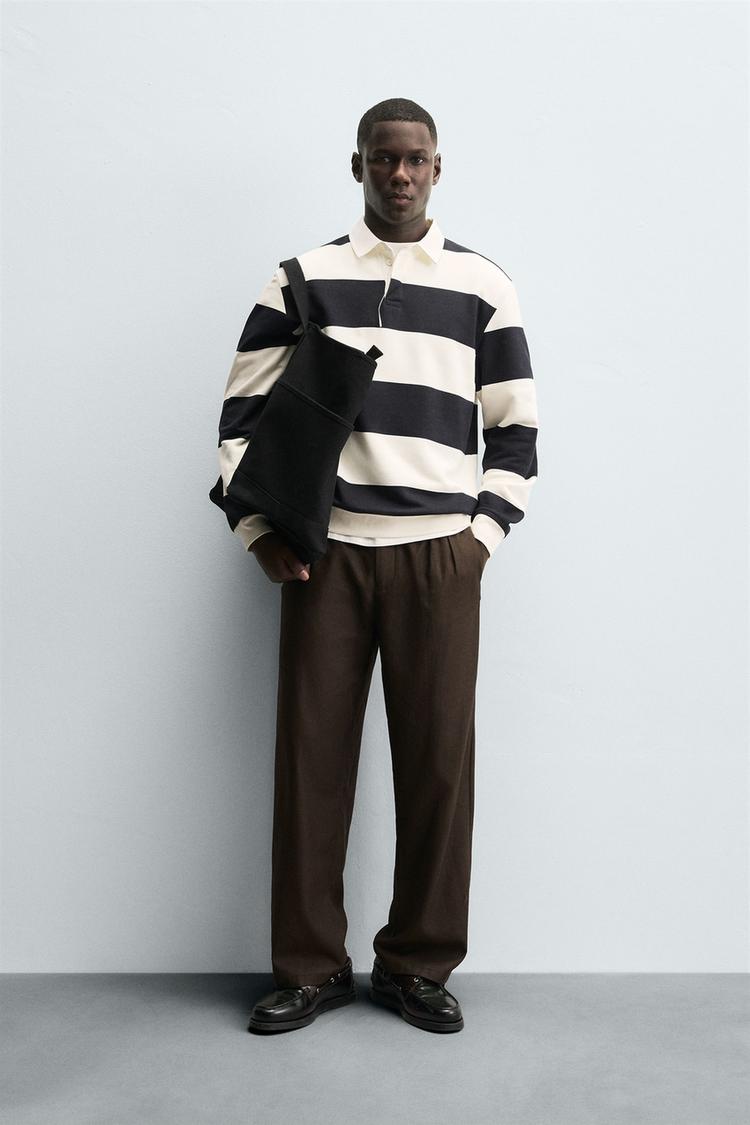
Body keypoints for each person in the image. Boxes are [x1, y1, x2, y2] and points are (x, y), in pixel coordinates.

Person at [212, 97, 539, 1035]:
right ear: (356, 164)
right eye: (383, 158)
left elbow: (516, 432)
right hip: (328, 557)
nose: (400, 174)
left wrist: (480, 540)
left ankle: (416, 966)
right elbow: (239, 420)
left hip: (440, 559)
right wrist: (259, 532)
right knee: (311, 765)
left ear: (438, 167)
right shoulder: (301, 279)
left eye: (416, 159)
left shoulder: (483, 285)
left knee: (439, 769)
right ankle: (308, 967)